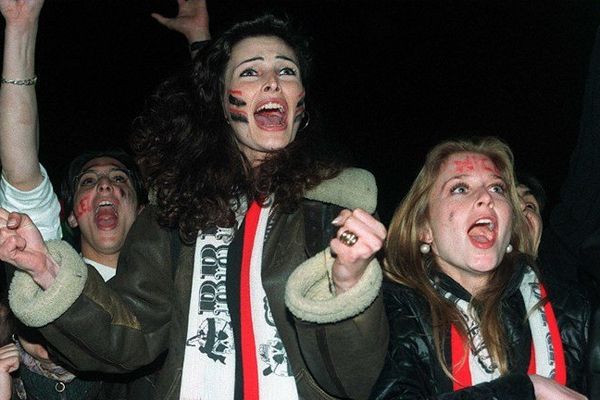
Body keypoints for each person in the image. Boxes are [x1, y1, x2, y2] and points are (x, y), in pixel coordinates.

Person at [0, 12, 388, 400]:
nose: (272, 81)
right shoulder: (173, 215)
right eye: (250, 73)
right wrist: (46, 269)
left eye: (287, 72)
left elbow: (353, 380)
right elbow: (128, 339)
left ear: (301, 102)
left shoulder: (334, 213)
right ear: (221, 102)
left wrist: (348, 285)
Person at [0, 0, 209, 398]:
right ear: (71, 217)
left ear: (144, 210)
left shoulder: (179, 278)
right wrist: (20, 25)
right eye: (89, 182)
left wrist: (201, 44)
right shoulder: (49, 266)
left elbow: (214, 160)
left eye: (119, 180)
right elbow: (21, 169)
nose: (105, 187)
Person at [371, 137, 588, 399]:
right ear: (424, 229)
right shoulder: (394, 310)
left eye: (497, 189)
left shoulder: (570, 309)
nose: (486, 197)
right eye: (460, 188)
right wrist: (528, 389)